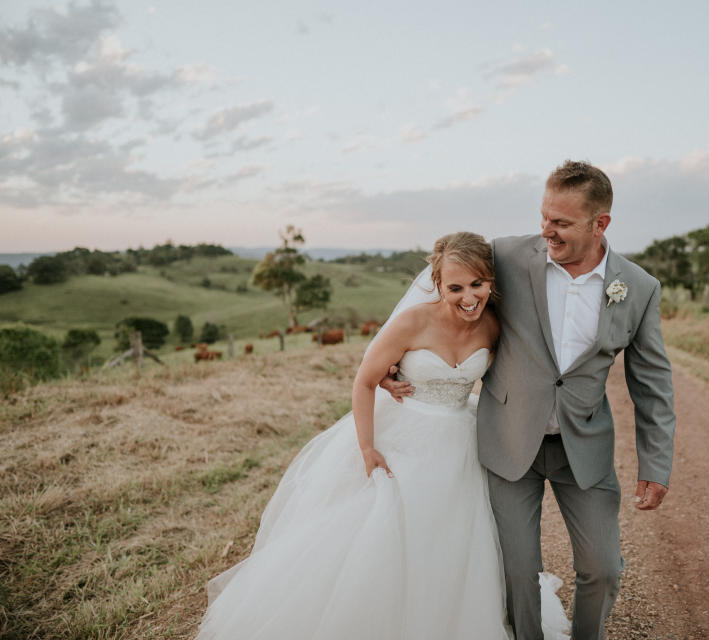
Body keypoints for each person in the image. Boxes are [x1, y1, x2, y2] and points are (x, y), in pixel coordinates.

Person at [194, 232, 570, 640]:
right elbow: (364, 381)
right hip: (404, 435)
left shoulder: (495, 326)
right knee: (385, 534)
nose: (468, 297)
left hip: (462, 442)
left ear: (490, 282)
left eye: (477, 284)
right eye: (455, 287)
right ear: (438, 284)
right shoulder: (411, 321)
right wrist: (367, 447)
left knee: (457, 539)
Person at [384, 161, 676, 640]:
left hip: (585, 448)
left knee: (602, 568)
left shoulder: (639, 289)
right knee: (518, 573)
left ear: (600, 224)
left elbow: (653, 384)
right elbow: (443, 284)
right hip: (508, 441)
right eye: (544, 217)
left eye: (561, 222)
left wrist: (656, 463)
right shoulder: (506, 257)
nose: (547, 231)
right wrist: (403, 358)